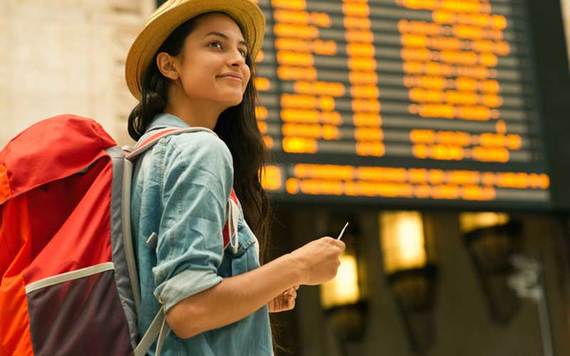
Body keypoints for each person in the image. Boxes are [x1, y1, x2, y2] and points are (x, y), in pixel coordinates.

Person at [125, 0, 346, 354]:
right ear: (169, 65)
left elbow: (165, 303)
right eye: (216, 45)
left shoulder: (144, 156)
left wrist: (256, 297)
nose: (237, 60)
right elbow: (188, 309)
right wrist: (298, 266)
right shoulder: (201, 150)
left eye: (242, 51)